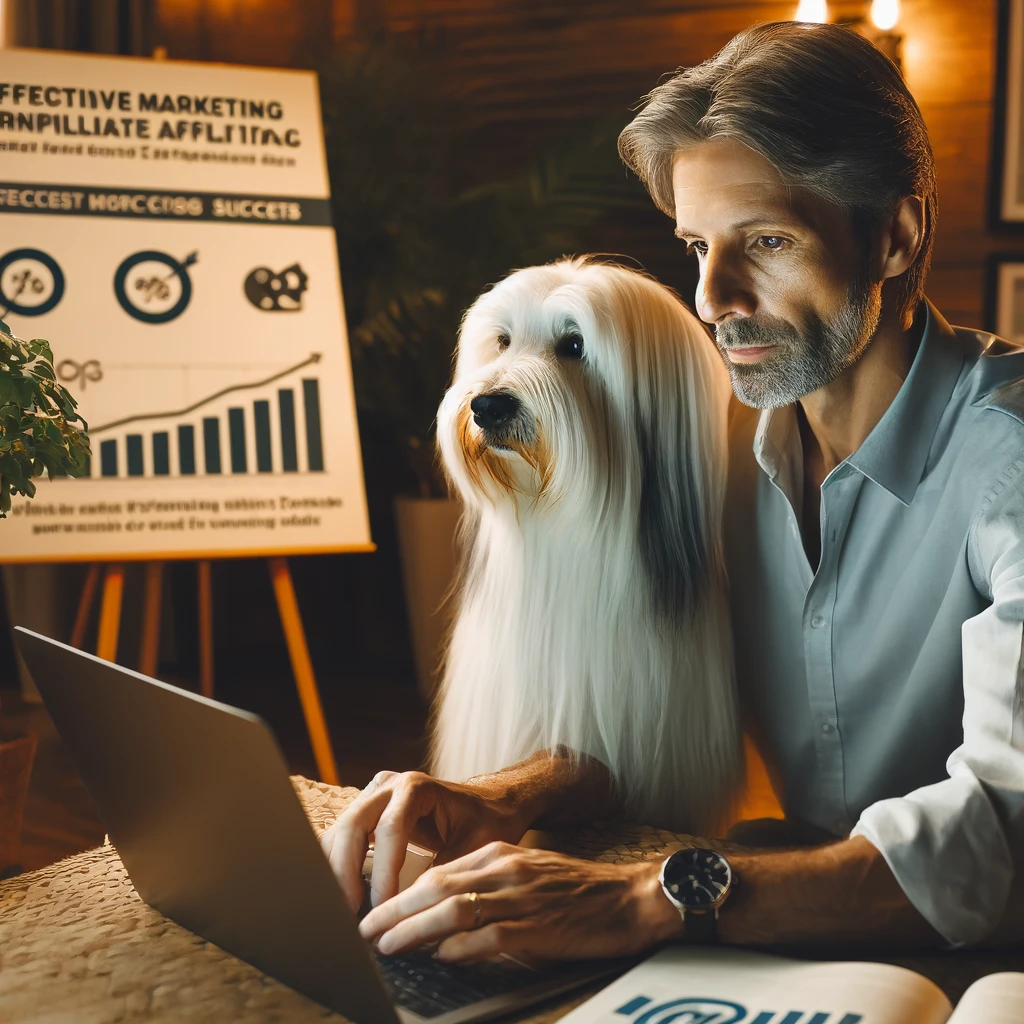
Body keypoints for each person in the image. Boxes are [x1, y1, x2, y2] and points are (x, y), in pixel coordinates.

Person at [322, 20, 1024, 962]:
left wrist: (641, 900)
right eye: (697, 246)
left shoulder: (1007, 459)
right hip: (799, 933)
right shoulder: (721, 454)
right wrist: (504, 796)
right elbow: (651, 712)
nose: (712, 296)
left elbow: (1000, 829)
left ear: (894, 237)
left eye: (766, 240)